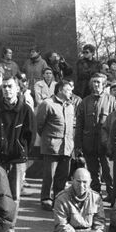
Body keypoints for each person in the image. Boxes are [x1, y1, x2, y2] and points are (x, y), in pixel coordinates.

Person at [0, 75, 34, 232]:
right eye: (4, 86)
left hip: (17, 161)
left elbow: (30, 134)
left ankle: (11, 227)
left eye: (10, 86)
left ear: (17, 89)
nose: (7, 89)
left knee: (15, 196)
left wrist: (21, 150)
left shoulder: (26, 110)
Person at [75, 72, 115, 197]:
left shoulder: (111, 100)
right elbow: (79, 125)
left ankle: (112, 195)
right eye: (94, 82)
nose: (96, 84)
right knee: (92, 171)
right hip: (89, 142)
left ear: (104, 84)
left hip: (105, 144)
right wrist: (78, 144)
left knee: (108, 171)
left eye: (99, 82)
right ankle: (95, 195)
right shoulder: (85, 102)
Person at [37, 80, 75, 209]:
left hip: (67, 146)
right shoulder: (47, 104)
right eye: (68, 90)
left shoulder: (70, 106)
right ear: (60, 90)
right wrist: (50, 139)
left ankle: (59, 199)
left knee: (63, 175)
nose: (71, 92)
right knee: (49, 175)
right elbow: (39, 126)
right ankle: (46, 199)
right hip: (52, 146)